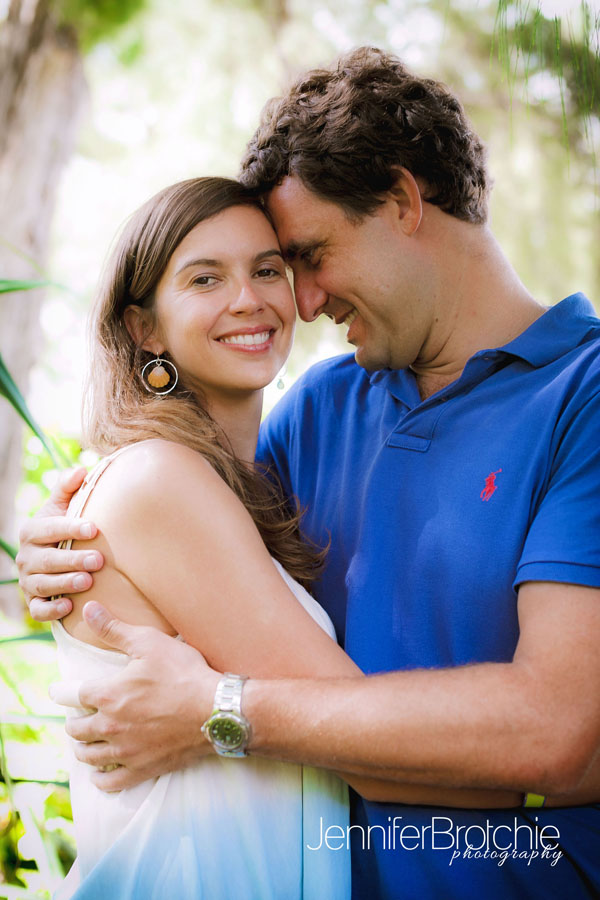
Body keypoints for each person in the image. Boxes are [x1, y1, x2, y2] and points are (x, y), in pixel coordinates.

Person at [18, 48, 600, 899]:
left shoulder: (583, 398)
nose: (306, 302)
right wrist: (65, 543)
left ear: (402, 202)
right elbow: (180, 547)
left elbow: (557, 737)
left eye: (308, 257)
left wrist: (219, 711)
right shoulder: (321, 409)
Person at [43, 175, 361, 899]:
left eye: (267, 270)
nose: (248, 299)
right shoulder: (159, 480)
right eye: (205, 278)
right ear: (144, 329)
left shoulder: (232, 485)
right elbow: (360, 731)